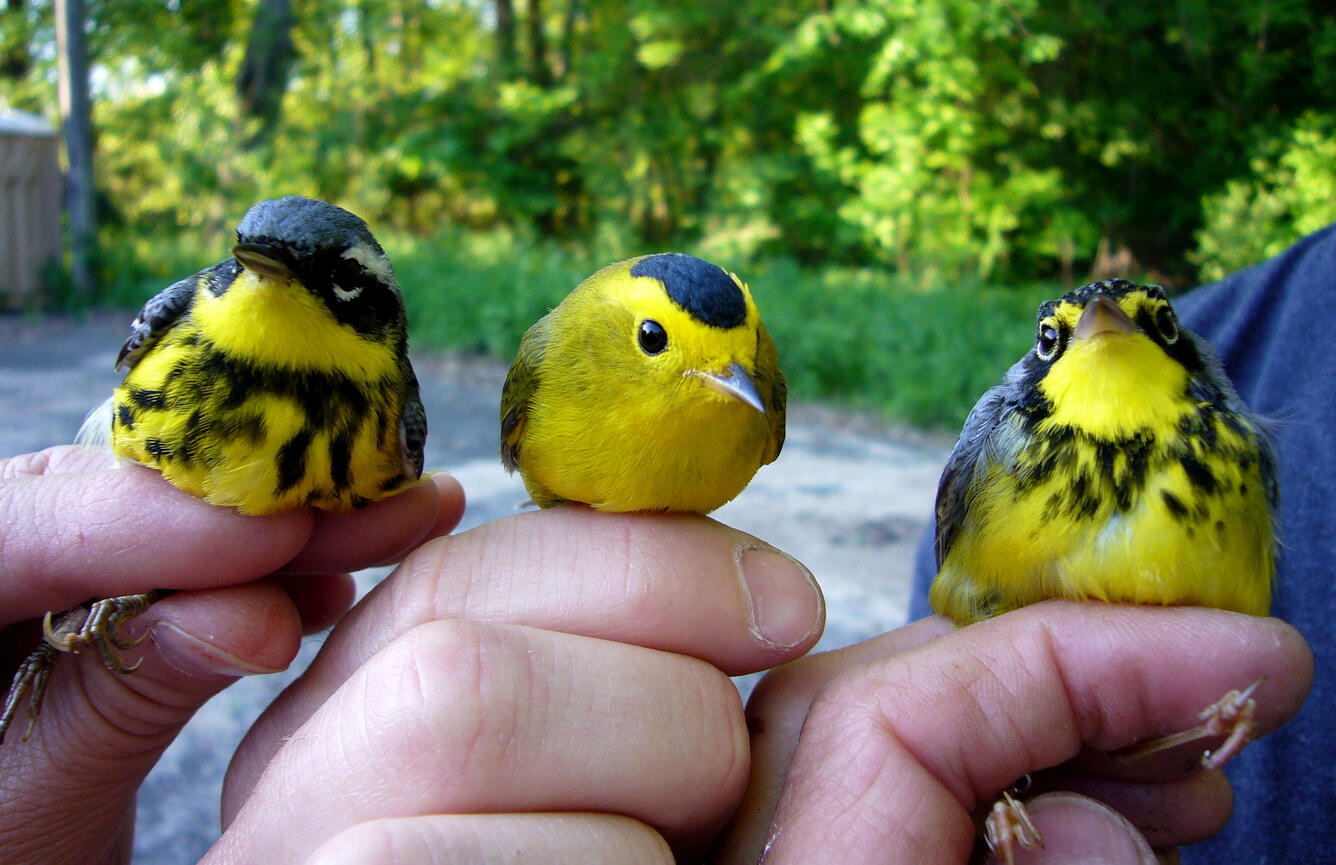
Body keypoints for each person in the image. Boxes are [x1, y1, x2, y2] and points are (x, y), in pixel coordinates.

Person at [1, 225, 1327, 863]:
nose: (744, 396)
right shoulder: (542, 373)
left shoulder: (751, 394)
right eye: (676, 355)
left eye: (748, 371)